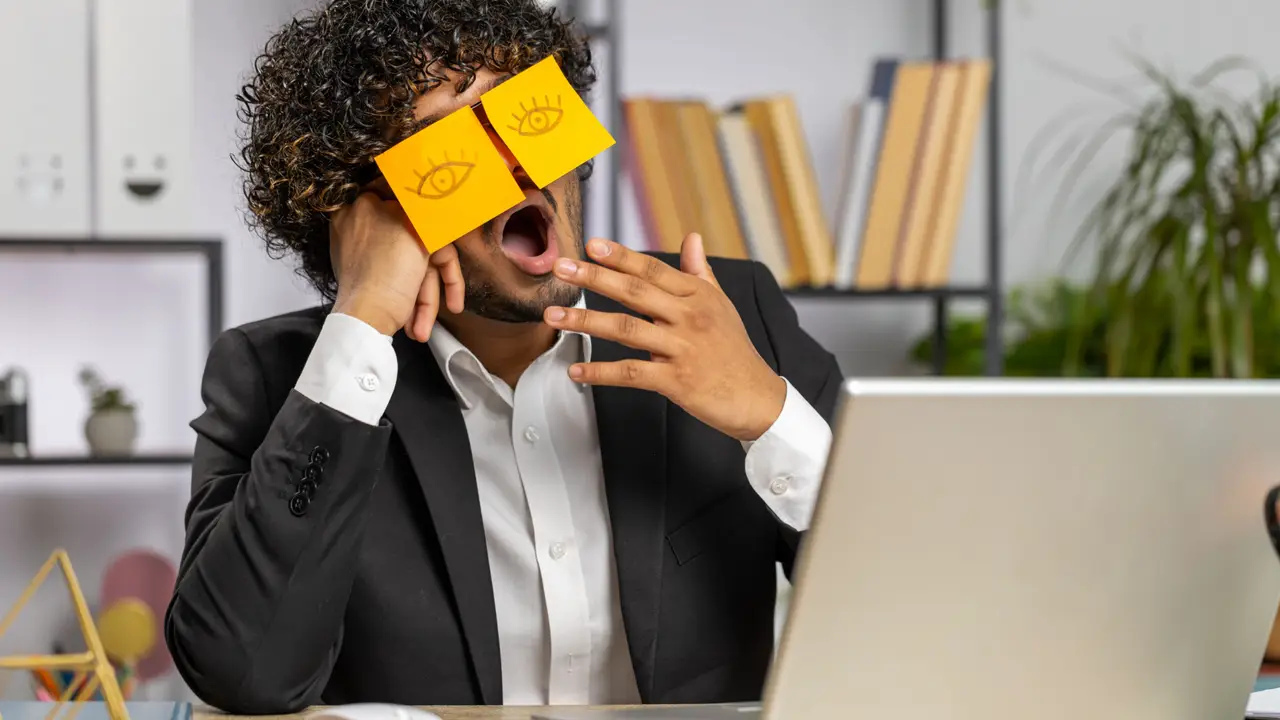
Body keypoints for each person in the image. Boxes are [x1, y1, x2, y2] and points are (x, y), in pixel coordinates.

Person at [164, 0, 843, 713]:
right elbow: (240, 674)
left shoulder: (731, 315)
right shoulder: (280, 378)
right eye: (449, 155)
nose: (517, 173)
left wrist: (769, 415)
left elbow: (915, 599)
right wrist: (361, 319)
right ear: (370, 217)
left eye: (528, 118)